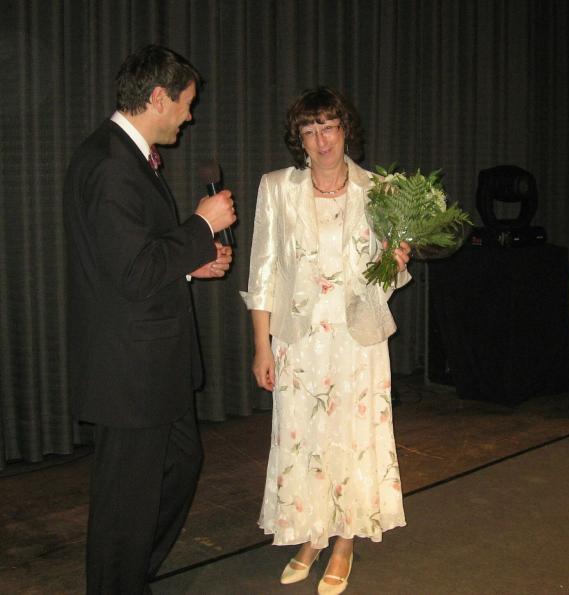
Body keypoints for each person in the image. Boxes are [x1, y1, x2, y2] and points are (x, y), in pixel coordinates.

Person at [63, 44, 236, 593]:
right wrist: (201, 226)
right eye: (186, 103)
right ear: (159, 97)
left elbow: (134, 258)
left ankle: (129, 572)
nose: (190, 115)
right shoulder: (112, 165)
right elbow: (133, 273)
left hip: (152, 365)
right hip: (130, 372)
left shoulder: (124, 156)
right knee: (125, 503)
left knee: (179, 465)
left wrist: (190, 265)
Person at [241, 87, 410, 595]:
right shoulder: (277, 188)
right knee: (304, 437)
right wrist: (262, 346)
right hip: (300, 340)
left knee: (352, 438)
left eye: (329, 127)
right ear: (299, 138)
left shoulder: (379, 190)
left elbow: (384, 283)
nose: (322, 140)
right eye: (310, 130)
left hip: (358, 340)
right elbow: (263, 271)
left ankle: (344, 541)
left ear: (345, 129)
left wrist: (396, 262)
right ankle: (311, 533)